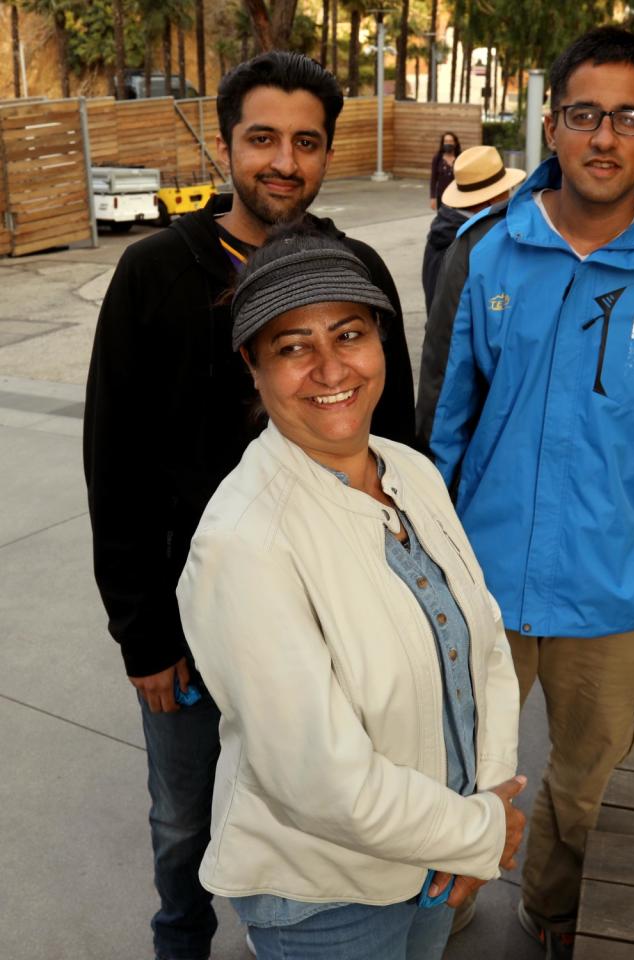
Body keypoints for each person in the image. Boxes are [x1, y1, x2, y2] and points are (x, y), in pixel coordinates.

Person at [416, 26, 634, 958]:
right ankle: (447, 904)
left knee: (583, 775)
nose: (604, 137)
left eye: (627, 118)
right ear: (552, 127)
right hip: (480, 578)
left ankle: (553, 910)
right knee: (457, 764)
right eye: (585, 114)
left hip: (619, 587)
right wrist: (425, 552)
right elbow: (441, 418)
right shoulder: (484, 254)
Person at [83, 52, 415, 960]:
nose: (284, 161)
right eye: (262, 138)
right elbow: (113, 470)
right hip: (191, 632)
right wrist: (142, 635)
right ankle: (182, 937)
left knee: (325, 802)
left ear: (326, 152)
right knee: (183, 816)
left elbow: (403, 449)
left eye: (306, 142)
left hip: (334, 617)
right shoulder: (155, 272)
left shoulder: (358, 268)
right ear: (226, 143)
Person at [175, 224, 525, 960]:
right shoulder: (244, 542)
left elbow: (485, 644)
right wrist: (480, 832)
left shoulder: (411, 472)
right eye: (293, 346)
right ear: (254, 365)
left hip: (436, 859)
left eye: (349, 334)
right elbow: (320, 779)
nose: (330, 367)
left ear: (380, 343)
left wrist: (480, 810)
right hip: (325, 895)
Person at [422, 145, 526, 312]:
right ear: (492, 199)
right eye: (506, 189)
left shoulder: (446, 228)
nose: (510, 194)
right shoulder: (469, 241)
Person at [429, 131, 461, 211]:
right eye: (446, 141)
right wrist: (433, 197)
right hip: (442, 196)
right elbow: (433, 179)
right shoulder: (437, 158)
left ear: (455, 143)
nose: (448, 144)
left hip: (457, 196)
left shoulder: (460, 158)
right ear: (442, 144)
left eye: (450, 141)